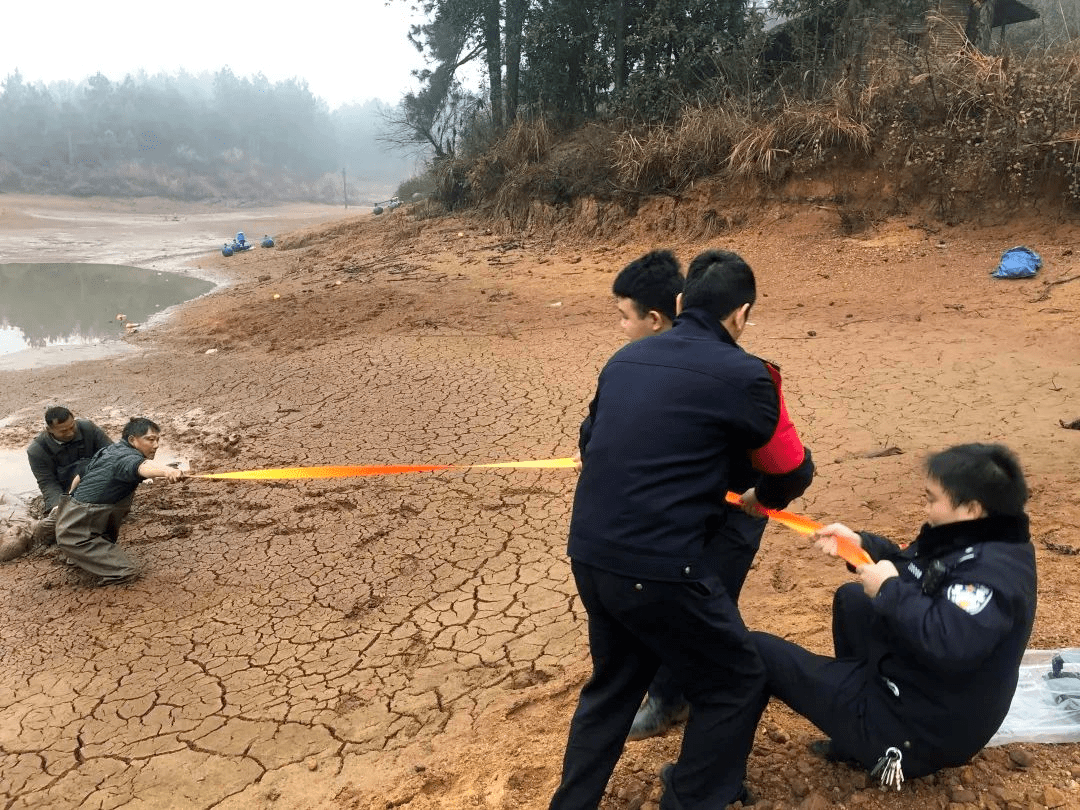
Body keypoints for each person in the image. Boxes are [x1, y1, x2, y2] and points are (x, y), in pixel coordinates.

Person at [550, 250, 814, 810]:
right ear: (740, 315)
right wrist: (759, 499)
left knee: (613, 685)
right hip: (663, 566)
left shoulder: (626, 361)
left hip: (591, 555)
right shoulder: (749, 374)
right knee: (736, 678)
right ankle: (693, 796)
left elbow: (589, 443)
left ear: (676, 304)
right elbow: (791, 470)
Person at [605, 250, 816, 740]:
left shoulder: (748, 377)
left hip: (727, 523)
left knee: (705, 622)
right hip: (675, 520)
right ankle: (671, 696)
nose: (622, 329)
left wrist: (761, 498)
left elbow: (790, 464)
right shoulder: (634, 364)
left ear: (668, 311)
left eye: (624, 318)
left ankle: (682, 705)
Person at [752, 443, 1036, 786]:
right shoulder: (972, 539)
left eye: (932, 499)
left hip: (920, 732)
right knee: (854, 599)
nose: (926, 508)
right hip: (922, 695)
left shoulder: (994, 574)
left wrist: (889, 590)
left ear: (972, 509)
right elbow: (912, 567)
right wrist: (859, 544)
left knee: (758, 652)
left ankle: (705, 787)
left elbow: (950, 641)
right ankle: (855, 736)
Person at [55, 417, 184, 585]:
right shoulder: (126, 458)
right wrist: (166, 470)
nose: (156, 445)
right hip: (76, 531)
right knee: (127, 572)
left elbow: (79, 477)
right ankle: (78, 552)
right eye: (150, 439)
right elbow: (141, 467)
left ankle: (79, 553)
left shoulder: (110, 450)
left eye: (158, 440)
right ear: (132, 440)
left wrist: (69, 505)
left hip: (75, 519)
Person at [26, 406, 112, 546]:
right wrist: (57, 506)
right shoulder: (37, 450)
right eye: (63, 431)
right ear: (49, 430)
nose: (71, 432)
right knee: (59, 524)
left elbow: (111, 453)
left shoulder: (87, 428)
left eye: (72, 427)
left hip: (99, 483)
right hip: (68, 494)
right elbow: (47, 483)